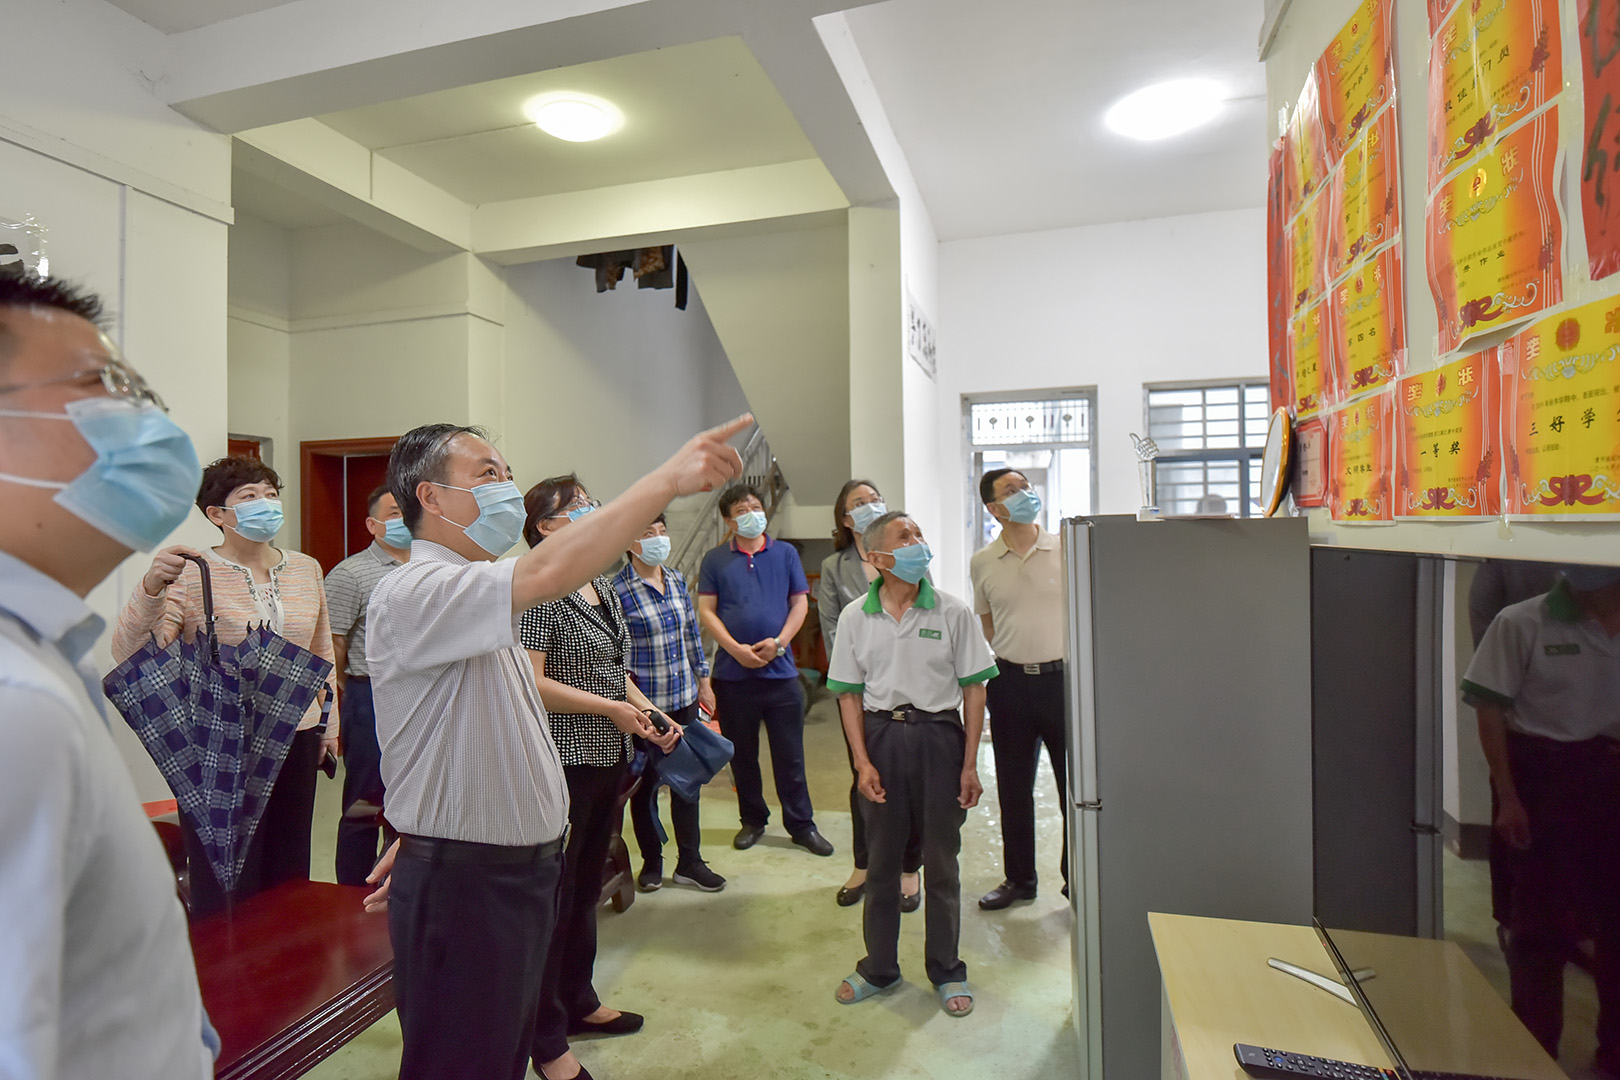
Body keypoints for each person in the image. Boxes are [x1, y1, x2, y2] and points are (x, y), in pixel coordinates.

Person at [361, 415, 747, 1080]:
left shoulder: (477, 599)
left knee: (496, 1053)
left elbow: (477, 724)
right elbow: (549, 570)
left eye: (508, 473)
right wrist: (665, 482)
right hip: (470, 876)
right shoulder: (416, 589)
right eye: (488, 474)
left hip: (491, 864)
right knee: (462, 1062)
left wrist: (426, 827)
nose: (506, 488)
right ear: (431, 497)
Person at [0, 269, 214, 1076]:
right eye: (101, 387)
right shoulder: (15, 702)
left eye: (137, 391)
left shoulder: (48, 654)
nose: (147, 421)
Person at [114, 454, 338, 916]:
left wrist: (328, 725)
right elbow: (131, 650)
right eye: (250, 496)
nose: (266, 504)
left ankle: (288, 955)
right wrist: (151, 588)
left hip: (297, 731)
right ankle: (227, 958)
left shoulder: (305, 568)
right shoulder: (193, 573)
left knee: (289, 865)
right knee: (228, 871)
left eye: (271, 494)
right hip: (223, 741)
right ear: (217, 514)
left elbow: (321, 651)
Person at [520, 475, 684, 1080]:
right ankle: (543, 1031)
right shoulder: (540, 588)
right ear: (544, 526)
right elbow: (532, 683)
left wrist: (645, 711)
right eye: (576, 506)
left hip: (607, 754)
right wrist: (610, 709)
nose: (591, 511)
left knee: (586, 884)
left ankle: (579, 1000)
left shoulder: (599, 583)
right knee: (556, 896)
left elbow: (614, 671)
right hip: (563, 759)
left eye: (591, 501)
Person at [826, 511, 995, 1018]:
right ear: (876, 557)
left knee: (942, 860)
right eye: (905, 537)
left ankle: (946, 968)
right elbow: (848, 695)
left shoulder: (951, 611)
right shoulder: (856, 617)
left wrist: (969, 764)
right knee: (881, 860)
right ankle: (878, 967)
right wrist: (861, 763)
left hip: (939, 737)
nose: (918, 542)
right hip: (882, 736)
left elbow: (974, 690)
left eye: (918, 533)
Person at [1461, 564, 1620, 1077]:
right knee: (1539, 927)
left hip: (1610, 772)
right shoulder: (1521, 622)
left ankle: (1614, 1053)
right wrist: (1508, 796)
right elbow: (1488, 709)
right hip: (1543, 777)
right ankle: (1532, 1054)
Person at [696, 485, 832, 856]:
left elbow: (799, 604)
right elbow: (707, 610)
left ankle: (801, 825)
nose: (752, 514)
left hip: (781, 676)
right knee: (742, 756)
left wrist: (780, 643)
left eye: (756, 507)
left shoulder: (785, 553)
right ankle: (753, 820)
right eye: (742, 510)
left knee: (790, 755)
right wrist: (735, 649)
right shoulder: (715, 560)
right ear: (729, 521)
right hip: (732, 677)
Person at [818, 479, 922, 909]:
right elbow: (830, 628)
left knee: (911, 781)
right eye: (858, 503)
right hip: (859, 691)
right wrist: (855, 679)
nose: (869, 506)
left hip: (908, 688)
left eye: (874, 499)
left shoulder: (909, 555)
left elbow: (924, 615)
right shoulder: (834, 566)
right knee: (864, 776)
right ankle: (863, 864)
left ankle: (909, 869)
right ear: (846, 519)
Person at [970, 467, 1068, 910]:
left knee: (1075, 790)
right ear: (994, 508)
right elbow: (988, 622)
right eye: (1012, 490)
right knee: (1013, 789)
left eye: (1026, 486)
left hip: (1063, 683)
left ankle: (1076, 880)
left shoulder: (1065, 548)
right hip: (1009, 684)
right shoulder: (983, 561)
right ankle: (1020, 880)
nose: (1024, 493)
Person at [612, 513, 725, 892]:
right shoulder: (618, 590)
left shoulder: (675, 579)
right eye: (648, 532)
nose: (659, 539)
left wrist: (704, 681)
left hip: (683, 699)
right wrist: (634, 706)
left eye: (662, 531)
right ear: (630, 543)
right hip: (647, 708)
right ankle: (652, 860)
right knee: (645, 789)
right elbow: (617, 654)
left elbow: (691, 634)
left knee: (687, 783)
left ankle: (690, 861)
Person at [324, 483, 410, 885]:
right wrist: (350, 693)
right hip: (369, 696)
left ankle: (399, 887)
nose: (403, 519)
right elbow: (333, 645)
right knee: (365, 801)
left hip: (422, 693)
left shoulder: (431, 564)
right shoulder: (350, 574)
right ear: (372, 524)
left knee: (412, 799)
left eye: (407, 510)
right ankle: (352, 892)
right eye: (394, 513)